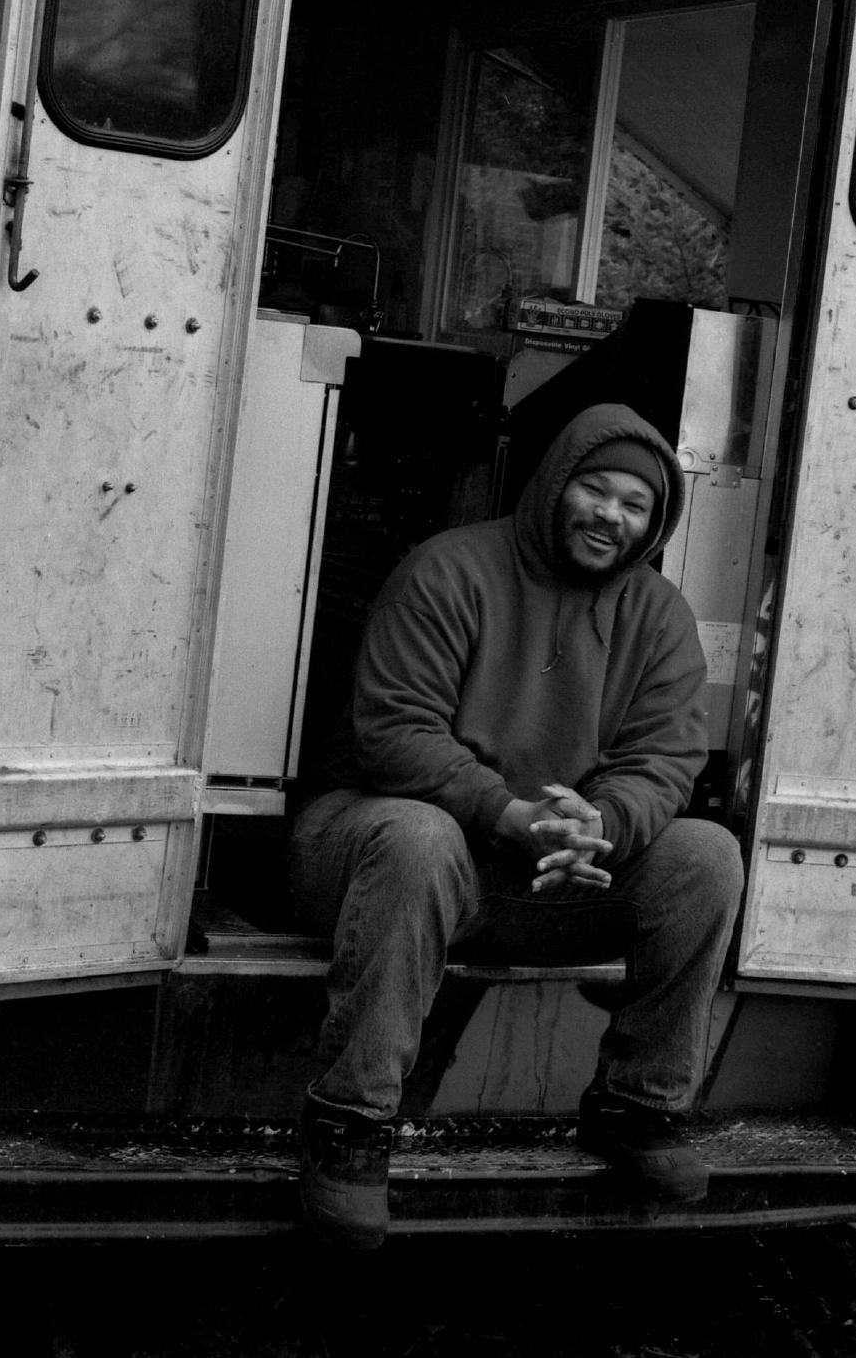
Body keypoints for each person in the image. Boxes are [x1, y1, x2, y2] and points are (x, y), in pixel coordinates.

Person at [289, 402, 744, 1247]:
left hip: (547, 874)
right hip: (390, 855)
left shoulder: (661, 616)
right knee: (419, 837)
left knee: (706, 854)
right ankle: (350, 1127)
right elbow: (394, 733)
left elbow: (666, 759)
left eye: (635, 505)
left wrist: (596, 823)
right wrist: (508, 812)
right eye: (595, 490)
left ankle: (638, 1106)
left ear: (654, 522)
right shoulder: (449, 569)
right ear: (553, 485)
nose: (610, 514)